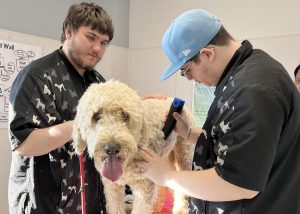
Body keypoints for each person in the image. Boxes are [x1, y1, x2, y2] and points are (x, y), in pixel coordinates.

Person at [138, 9, 300, 213]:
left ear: (207, 54)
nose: (189, 78)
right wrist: (189, 133)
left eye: (186, 70)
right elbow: (238, 144)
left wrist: (167, 176)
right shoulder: (245, 73)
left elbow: (237, 183)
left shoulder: (253, 91)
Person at [8, 2, 113, 214]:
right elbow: (24, 143)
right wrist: (81, 124)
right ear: (68, 31)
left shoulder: (97, 82)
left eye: (104, 42)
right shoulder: (37, 76)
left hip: (89, 201)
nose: (97, 48)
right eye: (91, 37)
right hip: (44, 203)